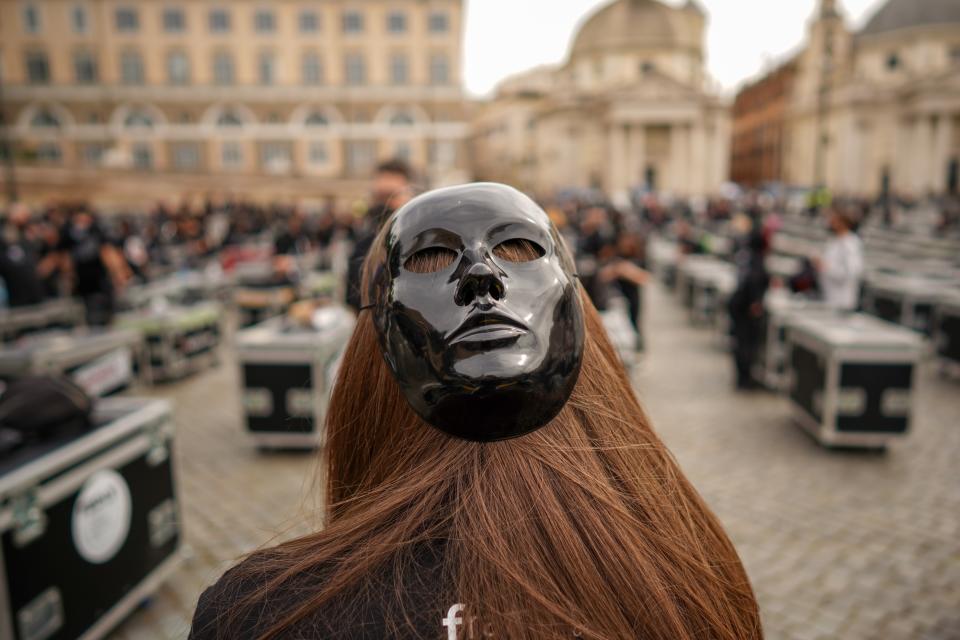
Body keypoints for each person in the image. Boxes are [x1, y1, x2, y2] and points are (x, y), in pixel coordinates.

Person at [189, 184, 761, 640]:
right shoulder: (695, 577)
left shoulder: (261, 616)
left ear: (364, 369)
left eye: (518, 252)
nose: (482, 278)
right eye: (433, 262)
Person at [344, 159, 413, 311]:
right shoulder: (363, 245)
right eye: (379, 197)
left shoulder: (422, 241)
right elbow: (354, 299)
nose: (384, 205)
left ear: (409, 196)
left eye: (391, 196)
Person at [57, 207, 131, 326]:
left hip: (100, 280)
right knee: (90, 315)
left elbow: (108, 252)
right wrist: (68, 278)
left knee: (106, 314)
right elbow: (65, 257)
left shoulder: (97, 231)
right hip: (83, 282)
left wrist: (118, 274)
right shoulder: (69, 234)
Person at [728, 230, 770, 390]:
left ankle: (742, 378)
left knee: (740, 343)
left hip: (738, 304)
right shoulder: (756, 259)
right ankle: (745, 379)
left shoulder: (744, 255)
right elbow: (754, 280)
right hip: (745, 307)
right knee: (746, 344)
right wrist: (756, 302)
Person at [0, 204, 47, 307]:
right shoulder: (6, 236)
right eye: (24, 216)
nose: (27, 219)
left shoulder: (26, 236)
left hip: (34, 291)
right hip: (16, 294)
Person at [816, 208, 863, 311]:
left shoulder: (850, 244)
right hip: (830, 296)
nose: (831, 223)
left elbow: (851, 272)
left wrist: (826, 268)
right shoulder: (834, 240)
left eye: (834, 220)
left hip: (842, 300)